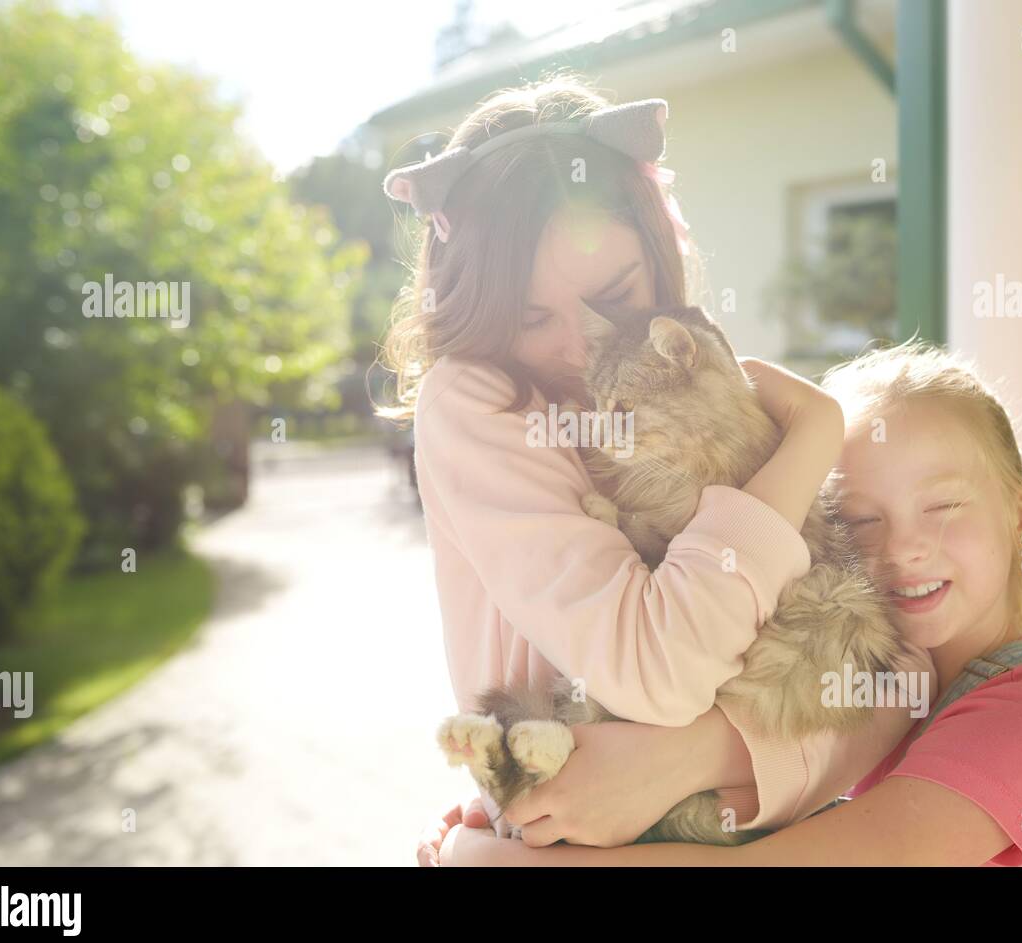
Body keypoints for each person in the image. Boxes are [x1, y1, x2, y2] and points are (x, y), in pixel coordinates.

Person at [375, 74, 933, 861]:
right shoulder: (478, 402)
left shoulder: (671, 372)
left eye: (613, 293)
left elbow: (889, 683)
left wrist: (702, 754)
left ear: (658, 256)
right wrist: (812, 434)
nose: (580, 348)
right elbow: (659, 671)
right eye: (531, 317)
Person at [433, 341, 1022, 866]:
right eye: (859, 520)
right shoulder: (891, 691)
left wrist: (489, 858)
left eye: (943, 507)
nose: (903, 549)